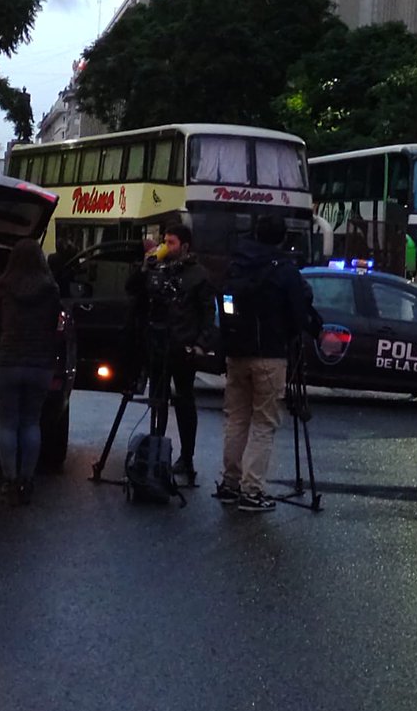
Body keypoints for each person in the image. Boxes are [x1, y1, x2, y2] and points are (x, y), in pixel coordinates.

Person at [215, 215, 312, 513]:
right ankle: (252, 489)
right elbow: (299, 314)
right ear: (283, 238)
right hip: (270, 354)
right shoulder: (284, 270)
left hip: (236, 351)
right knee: (263, 423)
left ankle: (230, 483)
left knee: (236, 418)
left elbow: (224, 304)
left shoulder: (237, 264)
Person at [126, 223, 216, 483]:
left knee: (185, 402)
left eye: (172, 242)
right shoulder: (158, 269)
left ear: (185, 246)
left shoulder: (198, 275)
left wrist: (200, 343)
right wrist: (146, 266)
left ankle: (186, 459)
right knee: (158, 400)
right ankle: (157, 455)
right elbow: (132, 289)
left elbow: (208, 314)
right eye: (165, 241)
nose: (166, 246)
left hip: (182, 348)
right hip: (157, 345)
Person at [0, 238, 60, 504]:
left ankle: (9, 480)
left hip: (8, 360)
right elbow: (54, 325)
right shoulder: (50, 289)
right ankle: (27, 480)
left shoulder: (2, 286)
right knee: (31, 421)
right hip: (39, 363)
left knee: (7, 422)